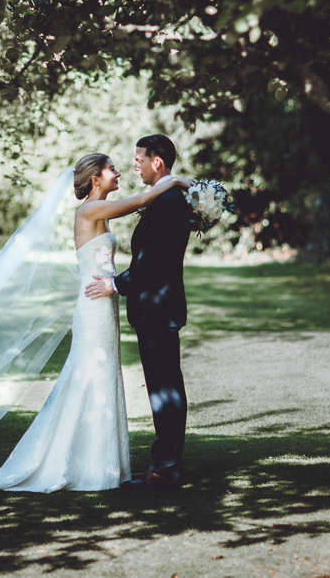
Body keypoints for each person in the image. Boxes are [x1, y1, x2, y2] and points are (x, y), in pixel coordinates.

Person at [0, 153, 192, 492]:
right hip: (94, 305)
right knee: (92, 373)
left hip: (105, 302)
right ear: (95, 179)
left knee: (103, 374)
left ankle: (103, 463)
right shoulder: (89, 210)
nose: (118, 173)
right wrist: (175, 181)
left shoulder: (100, 208)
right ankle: (85, 464)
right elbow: (143, 199)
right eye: (112, 169)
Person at [84, 135, 192, 489]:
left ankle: (165, 467)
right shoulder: (167, 197)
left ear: (156, 162)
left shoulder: (165, 201)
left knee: (164, 389)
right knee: (165, 385)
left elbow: (151, 264)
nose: (134, 166)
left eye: (138, 159)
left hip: (157, 309)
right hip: (159, 308)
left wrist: (115, 285)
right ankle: (168, 462)